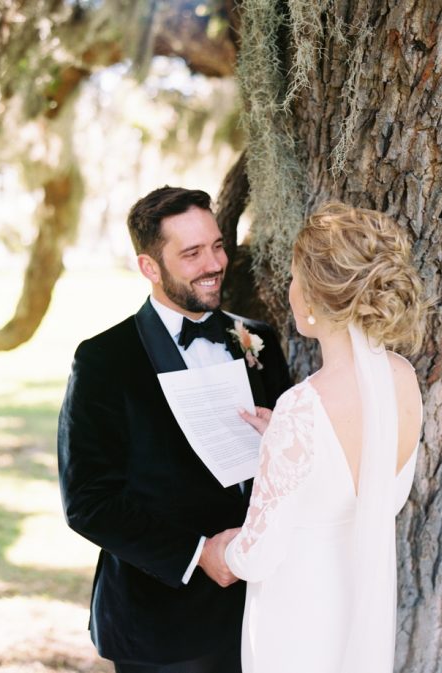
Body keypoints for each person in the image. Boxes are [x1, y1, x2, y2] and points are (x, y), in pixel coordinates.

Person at [57, 186, 292, 672]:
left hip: (264, 611)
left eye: (217, 245)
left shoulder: (259, 341)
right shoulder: (104, 361)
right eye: (191, 253)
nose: (214, 263)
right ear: (149, 267)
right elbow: (89, 501)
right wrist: (199, 553)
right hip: (162, 623)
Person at [217, 203, 425, 672]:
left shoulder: (301, 407)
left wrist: (222, 547)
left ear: (313, 298)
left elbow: (256, 557)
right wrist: (285, 442)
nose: (291, 290)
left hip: (297, 618)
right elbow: (368, 481)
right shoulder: (403, 378)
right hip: (359, 597)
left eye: (294, 277)